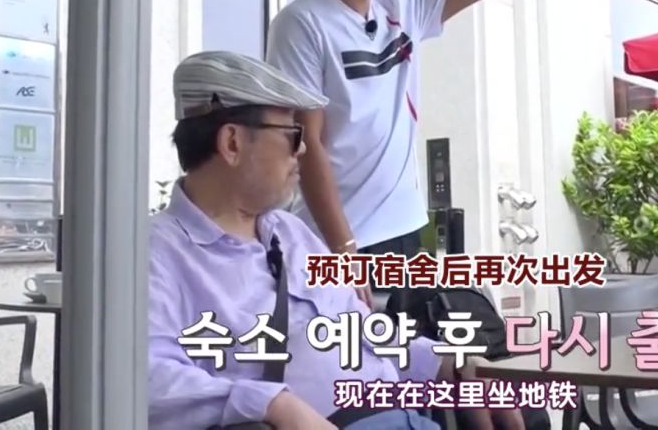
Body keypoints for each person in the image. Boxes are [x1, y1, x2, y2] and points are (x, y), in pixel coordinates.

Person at [265, 0, 638, 307]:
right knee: (350, 349)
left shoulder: (401, 8)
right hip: (342, 240)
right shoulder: (302, 23)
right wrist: (343, 249)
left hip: (406, 231)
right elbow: (306, 143)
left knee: (414, 346)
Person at [148, 51, 524, 430]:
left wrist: (450, 364)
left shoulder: (291, 234)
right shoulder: (156, 253)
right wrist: (272, 405)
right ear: (232, 143)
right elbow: (148, 377)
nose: (303, 150)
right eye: (293, 135)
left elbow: (361, 330)